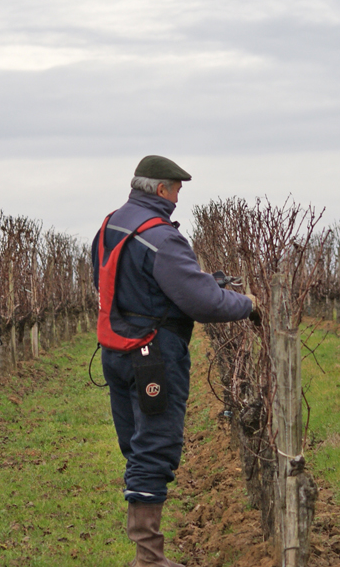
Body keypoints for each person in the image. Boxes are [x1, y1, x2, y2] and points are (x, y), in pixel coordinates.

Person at [92, 155, 255, 567]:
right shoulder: (162, 237)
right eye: (177, 189)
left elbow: (135, 284)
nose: (179, 198)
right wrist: (246, 303)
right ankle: (148, 558)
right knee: (156, 446)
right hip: (153, 356)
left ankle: (144, 552)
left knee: (135, 445)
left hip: (116, 350)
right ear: (162, 189)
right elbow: (203, 302)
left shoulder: (109, 226)